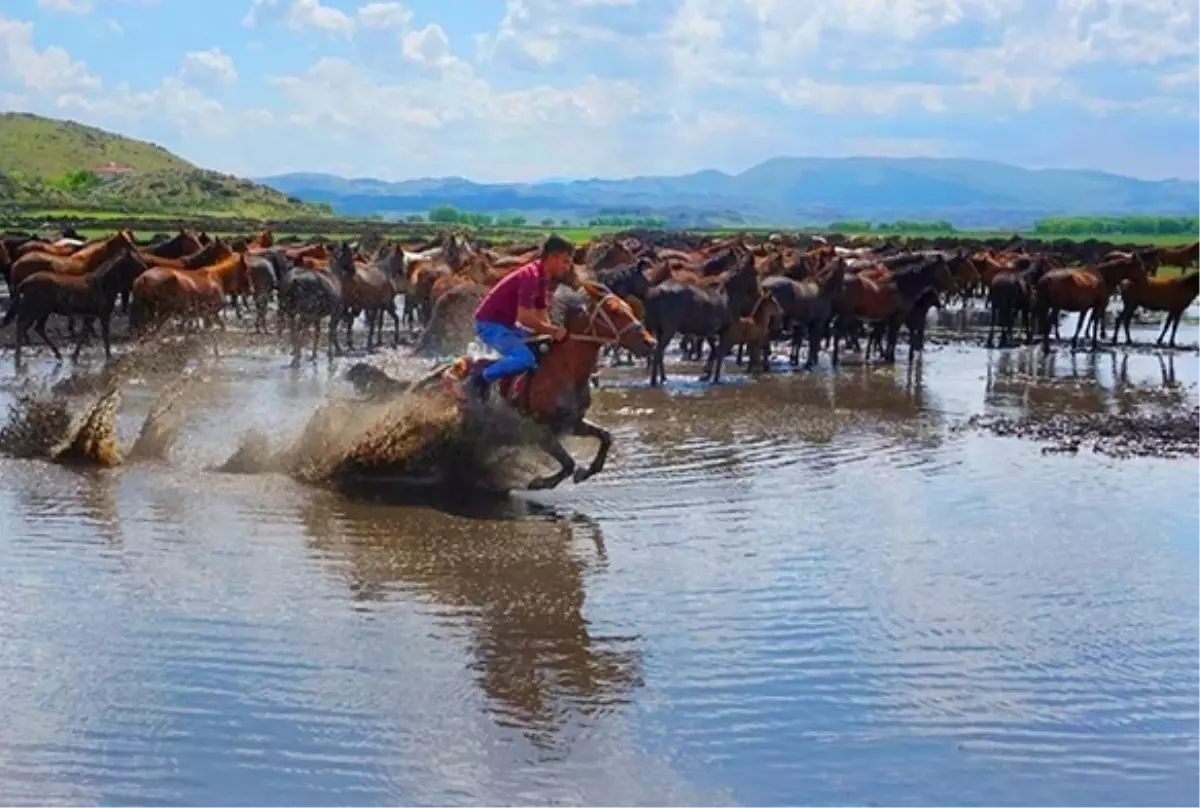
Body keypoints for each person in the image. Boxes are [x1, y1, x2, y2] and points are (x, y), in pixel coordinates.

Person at [467, 234, 576, 401]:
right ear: (552, 257)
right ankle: (479, 379)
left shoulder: (541, 277)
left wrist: (548, 335)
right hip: (489, 325)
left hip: (507, 325)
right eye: (565, 261)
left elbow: (541, 312)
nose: (568, 267)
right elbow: (524, 317)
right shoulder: (530, 276)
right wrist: (552, 331)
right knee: (525, 359)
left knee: (539, 347)